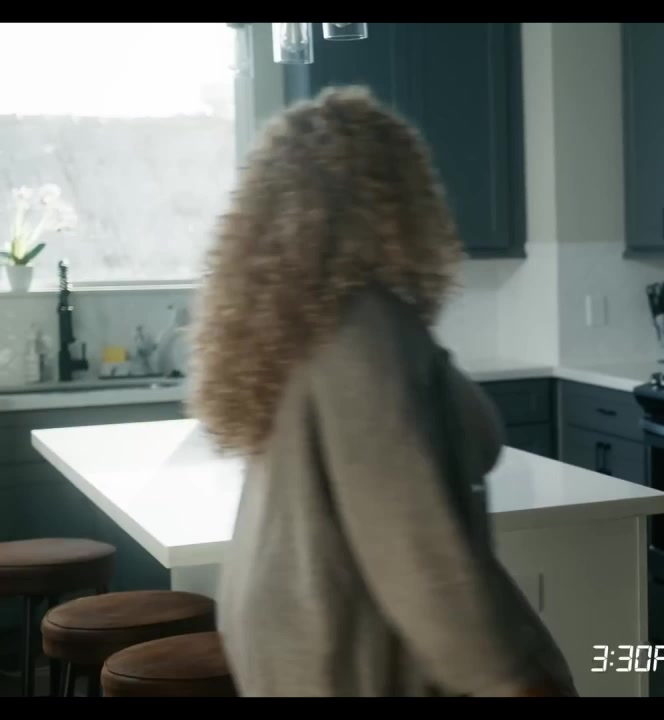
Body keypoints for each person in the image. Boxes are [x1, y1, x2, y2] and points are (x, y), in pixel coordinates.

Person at [188, 86, 578, 697]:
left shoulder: (292, 327)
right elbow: (416, 552)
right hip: (346, 646)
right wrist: (518, 682)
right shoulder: (362, 334)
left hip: (281, 630)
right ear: (393, 203)